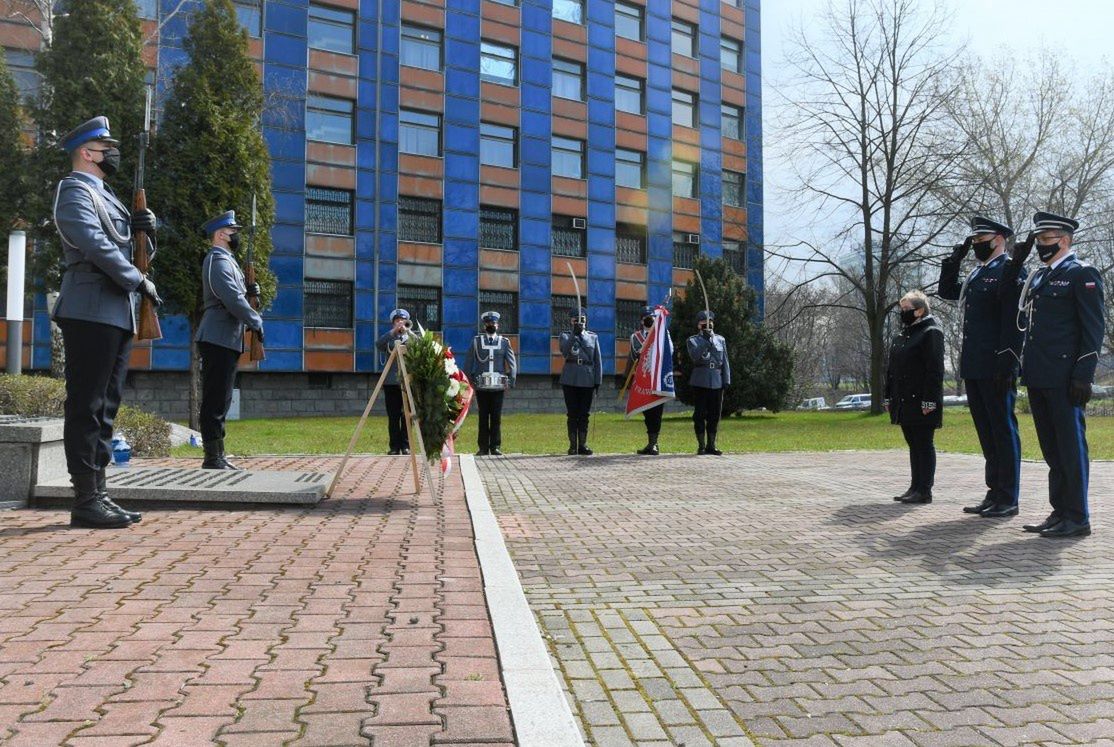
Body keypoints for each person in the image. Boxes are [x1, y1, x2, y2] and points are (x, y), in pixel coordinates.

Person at [52, 115, 160, 528]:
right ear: (87, 152)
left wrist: (147, 234)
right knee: (87, 404)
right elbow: (93, 243)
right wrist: (137, 280)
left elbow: (132, 248)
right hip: (89, 306)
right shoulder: (74, 190)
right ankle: (84, 498)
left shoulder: (108, 195)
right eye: (105, 147)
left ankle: (98, 492)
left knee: (107, 405)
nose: (111, 153)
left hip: (116, 308)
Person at [1012, 212, 1104, 538]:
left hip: (1065, 377)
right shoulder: (1040, 277)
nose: (1040, 245)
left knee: (1070, 448)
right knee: (1052, 450)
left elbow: (1094, 330)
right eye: (1038, 240)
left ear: (1064, 240)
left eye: (1045, 239)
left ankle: (1078, 517)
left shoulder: (1082, 274)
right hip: (1039, 374)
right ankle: (1060, 510)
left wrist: (1084, 375)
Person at [938, 216, 1026, 517]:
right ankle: (994, 492)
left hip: (996, 364)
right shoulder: (978, 273)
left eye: (981, 240)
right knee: (987, 432)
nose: (976, 245)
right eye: (973, 241)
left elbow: (1014, 323)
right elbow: (948, 292)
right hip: (975, 364)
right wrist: (952, 263)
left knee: (1003, 430)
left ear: (999, 239)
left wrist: (1008, 364)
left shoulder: (1010, 269)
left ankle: (1008, 497)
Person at [196, 210, 264, 470]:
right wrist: (255, 320)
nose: (237, 236)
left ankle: (218, 454)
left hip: (226, 337)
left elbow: (238, 296)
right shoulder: (218, 260)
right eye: (234, 232)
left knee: (222, 398)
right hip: (217, 336)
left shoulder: (228, 261)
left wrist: (251, 293)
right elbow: (231, 298)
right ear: (222, 234)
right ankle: (213, 457)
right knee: (215, 398)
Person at [885, 290, 944, 504]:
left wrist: (930, 400)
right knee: (913, 443)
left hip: (921, 399)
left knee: (923, 442)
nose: (903, 313)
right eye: (901, 309)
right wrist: (888, 396)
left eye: (906, 309)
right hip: (903, 399)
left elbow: (934, 370)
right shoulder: (903, 335)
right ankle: (914, 486)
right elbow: (891, 369)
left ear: (919, 311)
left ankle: (924, 489)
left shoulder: (930, 332)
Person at [467, 310, 516, 456]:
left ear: (498, 325)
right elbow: (469, 363)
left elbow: (512, 362)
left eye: (493, 323)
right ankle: (483, 447)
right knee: (483, 416)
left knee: (496, 417)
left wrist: (511, 380)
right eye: (488, 323)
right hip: (481, 386)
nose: (491, 325)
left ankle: (495, 446)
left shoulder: (504, 342)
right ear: (484, 325)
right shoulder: (476, 342)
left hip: (498, 387)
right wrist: (469, 382)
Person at [559, 307, 602, 455]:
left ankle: (582, 445)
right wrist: (574, 334)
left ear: (586, 321)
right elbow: (565, 351)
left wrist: (598, 380)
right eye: (576, 320)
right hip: (570, 378)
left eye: (582, 320)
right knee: (572, 413)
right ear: (571, 321)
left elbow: (597, 360)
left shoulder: (592, 337)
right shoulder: (565, 336)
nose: (579, 323)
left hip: (587, 378)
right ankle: (573, 446)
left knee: (584, 414)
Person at [623, 306, 665, 455]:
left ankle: (654, 444)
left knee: (657, 411)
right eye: (646, 318)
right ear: (641, 320)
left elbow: (669, 351)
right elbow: (635, 355)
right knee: (646, 411)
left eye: (652, 317)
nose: (649, 320)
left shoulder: (662, 334)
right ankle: (650, 442)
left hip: (657, 379)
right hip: (642, 379)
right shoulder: (636, 337)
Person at [686, 311, 730, 455]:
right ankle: (701, 445)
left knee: (715, 414)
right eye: (704, 323)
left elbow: (725, 361)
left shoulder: (720, 340)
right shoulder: (693, 340)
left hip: (716, 380)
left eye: (709, 322)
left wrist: (726, 379)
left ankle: (712, 445)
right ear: (699, 325)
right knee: (699, 414)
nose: (707, 325)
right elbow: (695, 357)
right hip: (700, 380)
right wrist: (705, 340)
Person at [376, 309, 417, 455]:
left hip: (408, 382)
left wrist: (409, 331)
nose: (400, 323)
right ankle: (394, 446)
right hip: (391, 382)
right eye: (397, 321)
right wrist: (393, 332)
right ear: (393, 322)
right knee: (393, 416)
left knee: (407, 415)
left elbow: (422, 344)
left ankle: (406, 445)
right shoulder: (390, 339)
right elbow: (378, 344)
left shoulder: (411, 338)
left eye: (402, 320)